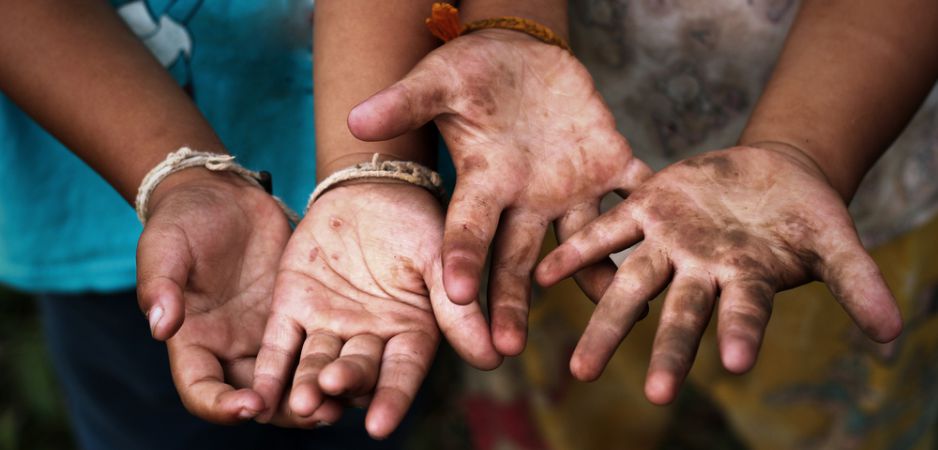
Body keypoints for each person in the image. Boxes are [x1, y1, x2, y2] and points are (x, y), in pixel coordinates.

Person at [346, 0, 938, 448]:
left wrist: (801, 150)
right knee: (579, 373)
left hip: (840, 147)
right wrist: (518, 25)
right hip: (560, 163)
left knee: (817, 398)